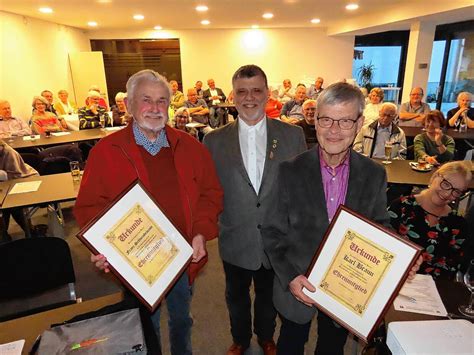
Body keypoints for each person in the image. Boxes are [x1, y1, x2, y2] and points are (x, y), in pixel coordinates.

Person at [260, 82, 422, 355]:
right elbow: (271, 231)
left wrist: (401, 255)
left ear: (359, 123)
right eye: (326, 120)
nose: (334, 131)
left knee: (332, 348)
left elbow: (379, 223)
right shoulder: (289, 171)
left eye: (345, 121)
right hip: (296, 281)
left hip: (346, 288)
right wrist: (290, 277)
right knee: (290, 343)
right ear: (315, 120)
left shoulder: (373, 174)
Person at [74, 69, 223, 354]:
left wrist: (201, 233)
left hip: (182, 255)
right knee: (145, 325)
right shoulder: (106, 152)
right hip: (136, 262)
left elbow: (211, 195)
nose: (155, 109)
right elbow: (89, 207)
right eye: (146, 100)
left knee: (182, 319)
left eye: (162, 101)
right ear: (129, 105)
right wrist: (102, 247)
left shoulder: (192, 147)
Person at [203, 64, 306, 355]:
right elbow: (208, 190)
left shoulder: (292, 135)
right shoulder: (213, 140)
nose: (249, 97)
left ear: (267, 93)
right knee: (235, 294)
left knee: (267, 294)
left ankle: (265, 336)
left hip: (276, 237)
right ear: (232, 96)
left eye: (256, 90)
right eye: (242, 91)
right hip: (235, 233)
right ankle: (240, 339)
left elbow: (299, 188)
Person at [388, 161, 472, 279]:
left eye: (456, 191)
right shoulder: (402, 206)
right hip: (396, 278)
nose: (448, 193)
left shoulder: (458, 225)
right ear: (434, 177)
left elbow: (452, 269)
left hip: (434, 289)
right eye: (446, 184)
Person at [0, 141, 39, 242]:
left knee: (10, 205)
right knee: (5, 205)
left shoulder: (9, 152)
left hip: (24, 179)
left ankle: (29, 232)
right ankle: (4, 234)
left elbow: (16, 175)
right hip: (6, 184)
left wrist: (2, 174)